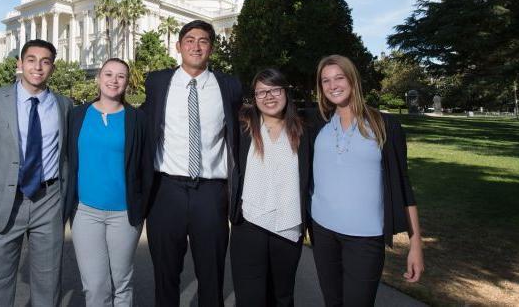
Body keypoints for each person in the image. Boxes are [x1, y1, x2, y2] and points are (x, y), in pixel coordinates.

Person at [0, 39, 72, 307]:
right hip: (1, 202)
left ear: (52, 68)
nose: (38, 67)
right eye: (31, 59)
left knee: (49, 280)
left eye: (46, 62)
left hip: (49, 200)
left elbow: (68, 154)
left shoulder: (64, 105)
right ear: (20, 64)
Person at [308, 54, 424, 306]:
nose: (333, 85)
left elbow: (403, 186)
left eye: (339, 77)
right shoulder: (318, 124)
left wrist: (415, 245)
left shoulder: (385, 125)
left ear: (353, 80)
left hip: (365, 237)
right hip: (322, 231)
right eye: (325, 80)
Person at [142, 20, 243, 306]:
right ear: (178, 46)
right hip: (166, 190)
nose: (196, 46)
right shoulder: (158, 82)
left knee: (211, 274)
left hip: (211, 192)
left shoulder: (229, 86)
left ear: (211, 47)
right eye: (189, 40)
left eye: (203, 41)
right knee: (165, 273)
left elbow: (240, 131)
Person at [65, 58, 152, 307]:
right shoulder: (77, 115)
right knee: (94, 285)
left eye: (121, 76)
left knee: (122, 282)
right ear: (98, 78)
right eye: (108, 74)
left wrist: (141, 207)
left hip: (124, 215)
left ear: (127, 82)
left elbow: (146, 167)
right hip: (85, 213)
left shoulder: (137, 119)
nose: (114, 80)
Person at [230, 68, 308, 306]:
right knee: (250, 298)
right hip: (249, 224)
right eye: (261, 92)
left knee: (282, 297)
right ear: (254, 97)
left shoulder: (304, 131)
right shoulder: (243, 129)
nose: (269, 96)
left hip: (287, 226)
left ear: (286, 92)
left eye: (275, 89)